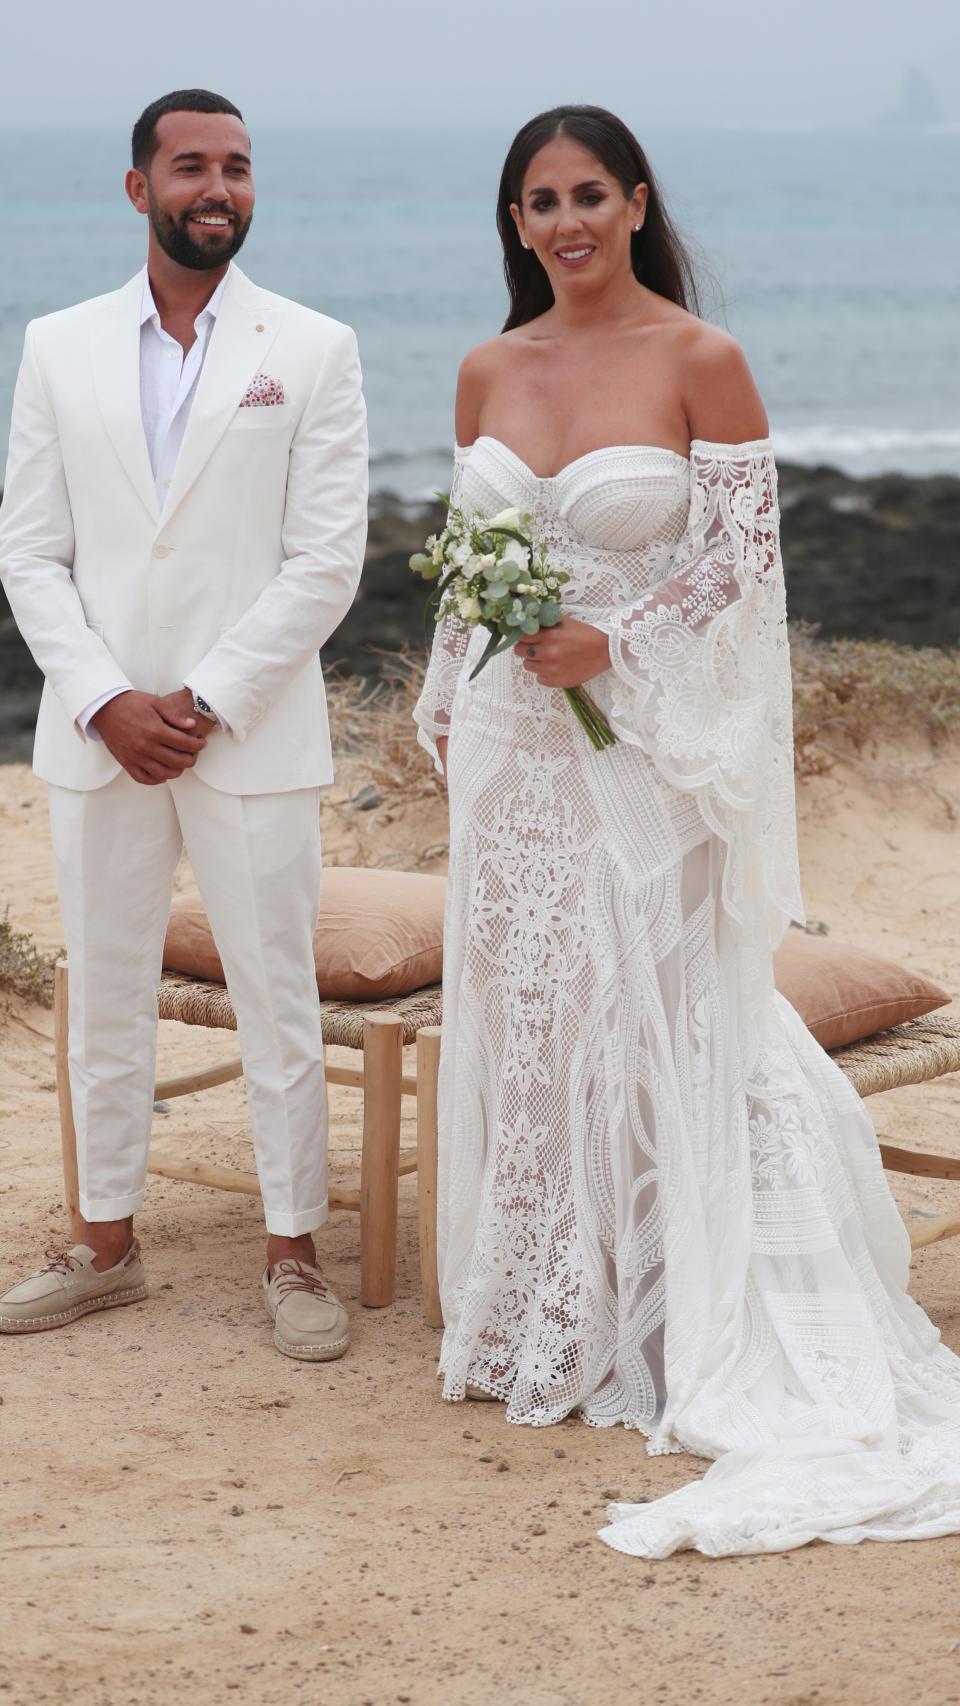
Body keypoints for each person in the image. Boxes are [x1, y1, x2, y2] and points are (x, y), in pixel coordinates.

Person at [413, 104, 960, 1556]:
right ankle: (548, 1311)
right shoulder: (485, 368)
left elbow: (742, 567)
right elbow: (468, 571)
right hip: (510, 752)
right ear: (517, 223)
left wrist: (617, 639)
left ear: (638, 203)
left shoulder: (700, 358)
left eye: (590, 193)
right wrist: (448, 703)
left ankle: (668, 1314)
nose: (568, 221)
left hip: (646, 743)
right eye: (541, 200)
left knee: (648, 1006)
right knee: (534, 1015)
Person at [0, 90, 368, 1362]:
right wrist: (106, 699)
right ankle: (103, 1243)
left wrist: (202, 699)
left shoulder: (313, 347)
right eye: (193, 166)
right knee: (104, 992)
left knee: (277, 996)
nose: (219, 188)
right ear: (139, 187)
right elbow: (29, 549)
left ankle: (293, 1251)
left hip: (247, 733)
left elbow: (326, 561)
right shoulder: (56, 345)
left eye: (239, 168)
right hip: (97, 732)